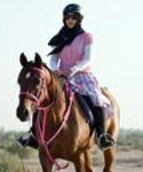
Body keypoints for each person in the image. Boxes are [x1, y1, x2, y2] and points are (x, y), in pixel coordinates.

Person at [17, 3, 115, 151]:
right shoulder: (59, 37)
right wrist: (56, 70)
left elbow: (87, 59)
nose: (70, 20)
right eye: (68, 17)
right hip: (61, 76)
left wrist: (73, 69)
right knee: (43, 98)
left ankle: (101, 135)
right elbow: (53, 58)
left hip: (82, 75)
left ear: (79, 19)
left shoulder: (86, 37)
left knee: (95, 98)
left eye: (74, 17)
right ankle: (34, 135)